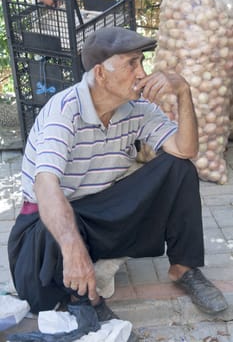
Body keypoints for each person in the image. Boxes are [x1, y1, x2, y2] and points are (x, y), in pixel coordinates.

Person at [8, 27, 228, 340]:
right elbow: (45, 186)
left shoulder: (136, 109)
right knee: (52, 232)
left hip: (100, 214)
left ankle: (184, 267)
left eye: (142, 62)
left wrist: (183, 92)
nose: (143, 73)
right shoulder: (64, 110)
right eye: (132, 64)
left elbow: (186, 149)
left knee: (179, 168)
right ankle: (83, 299)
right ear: (101, 73)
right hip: (46, 229)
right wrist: (73, 251)